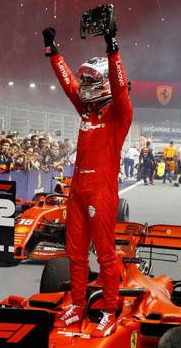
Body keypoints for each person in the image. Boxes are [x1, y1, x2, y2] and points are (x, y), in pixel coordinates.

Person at [43, 20, 132, 338]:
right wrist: (53, 52)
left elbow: (120, 88)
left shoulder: (119, 115)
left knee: (105, 254)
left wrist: (112, 47)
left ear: (106, 82)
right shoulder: (85, 112)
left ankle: (110, 310)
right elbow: (68, 82)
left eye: (92, 79)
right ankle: (77, 306)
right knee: (75, 254)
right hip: (78, 192)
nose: (84, 84)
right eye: (86, 79)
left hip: (102, 194)